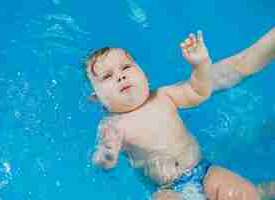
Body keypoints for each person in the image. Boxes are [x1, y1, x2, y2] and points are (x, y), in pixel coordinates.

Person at [86, 28, 275, 200]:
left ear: (145, 75)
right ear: (97, 98)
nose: (121, 76)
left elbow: (198, 91)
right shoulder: (112, 125)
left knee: (242, 194)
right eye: (107, 77)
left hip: (203, 171)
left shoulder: (164, 96)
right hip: (167, 189)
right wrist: (107, 155)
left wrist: (200, 65)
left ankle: (258, 192)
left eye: (126, 67)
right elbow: (100, 161)